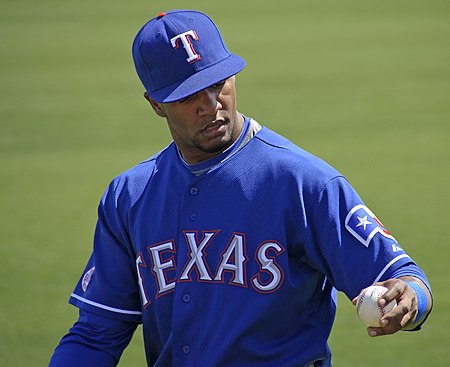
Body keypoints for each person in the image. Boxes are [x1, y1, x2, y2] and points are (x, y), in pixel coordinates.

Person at [49, 9, 432, 367]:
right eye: (187, 96)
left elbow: (403, 276)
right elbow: (96, 335)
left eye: (218, 83)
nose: (211, 104)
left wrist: (410, 296)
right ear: (155, 104)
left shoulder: (303, 182)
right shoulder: (129, 196)